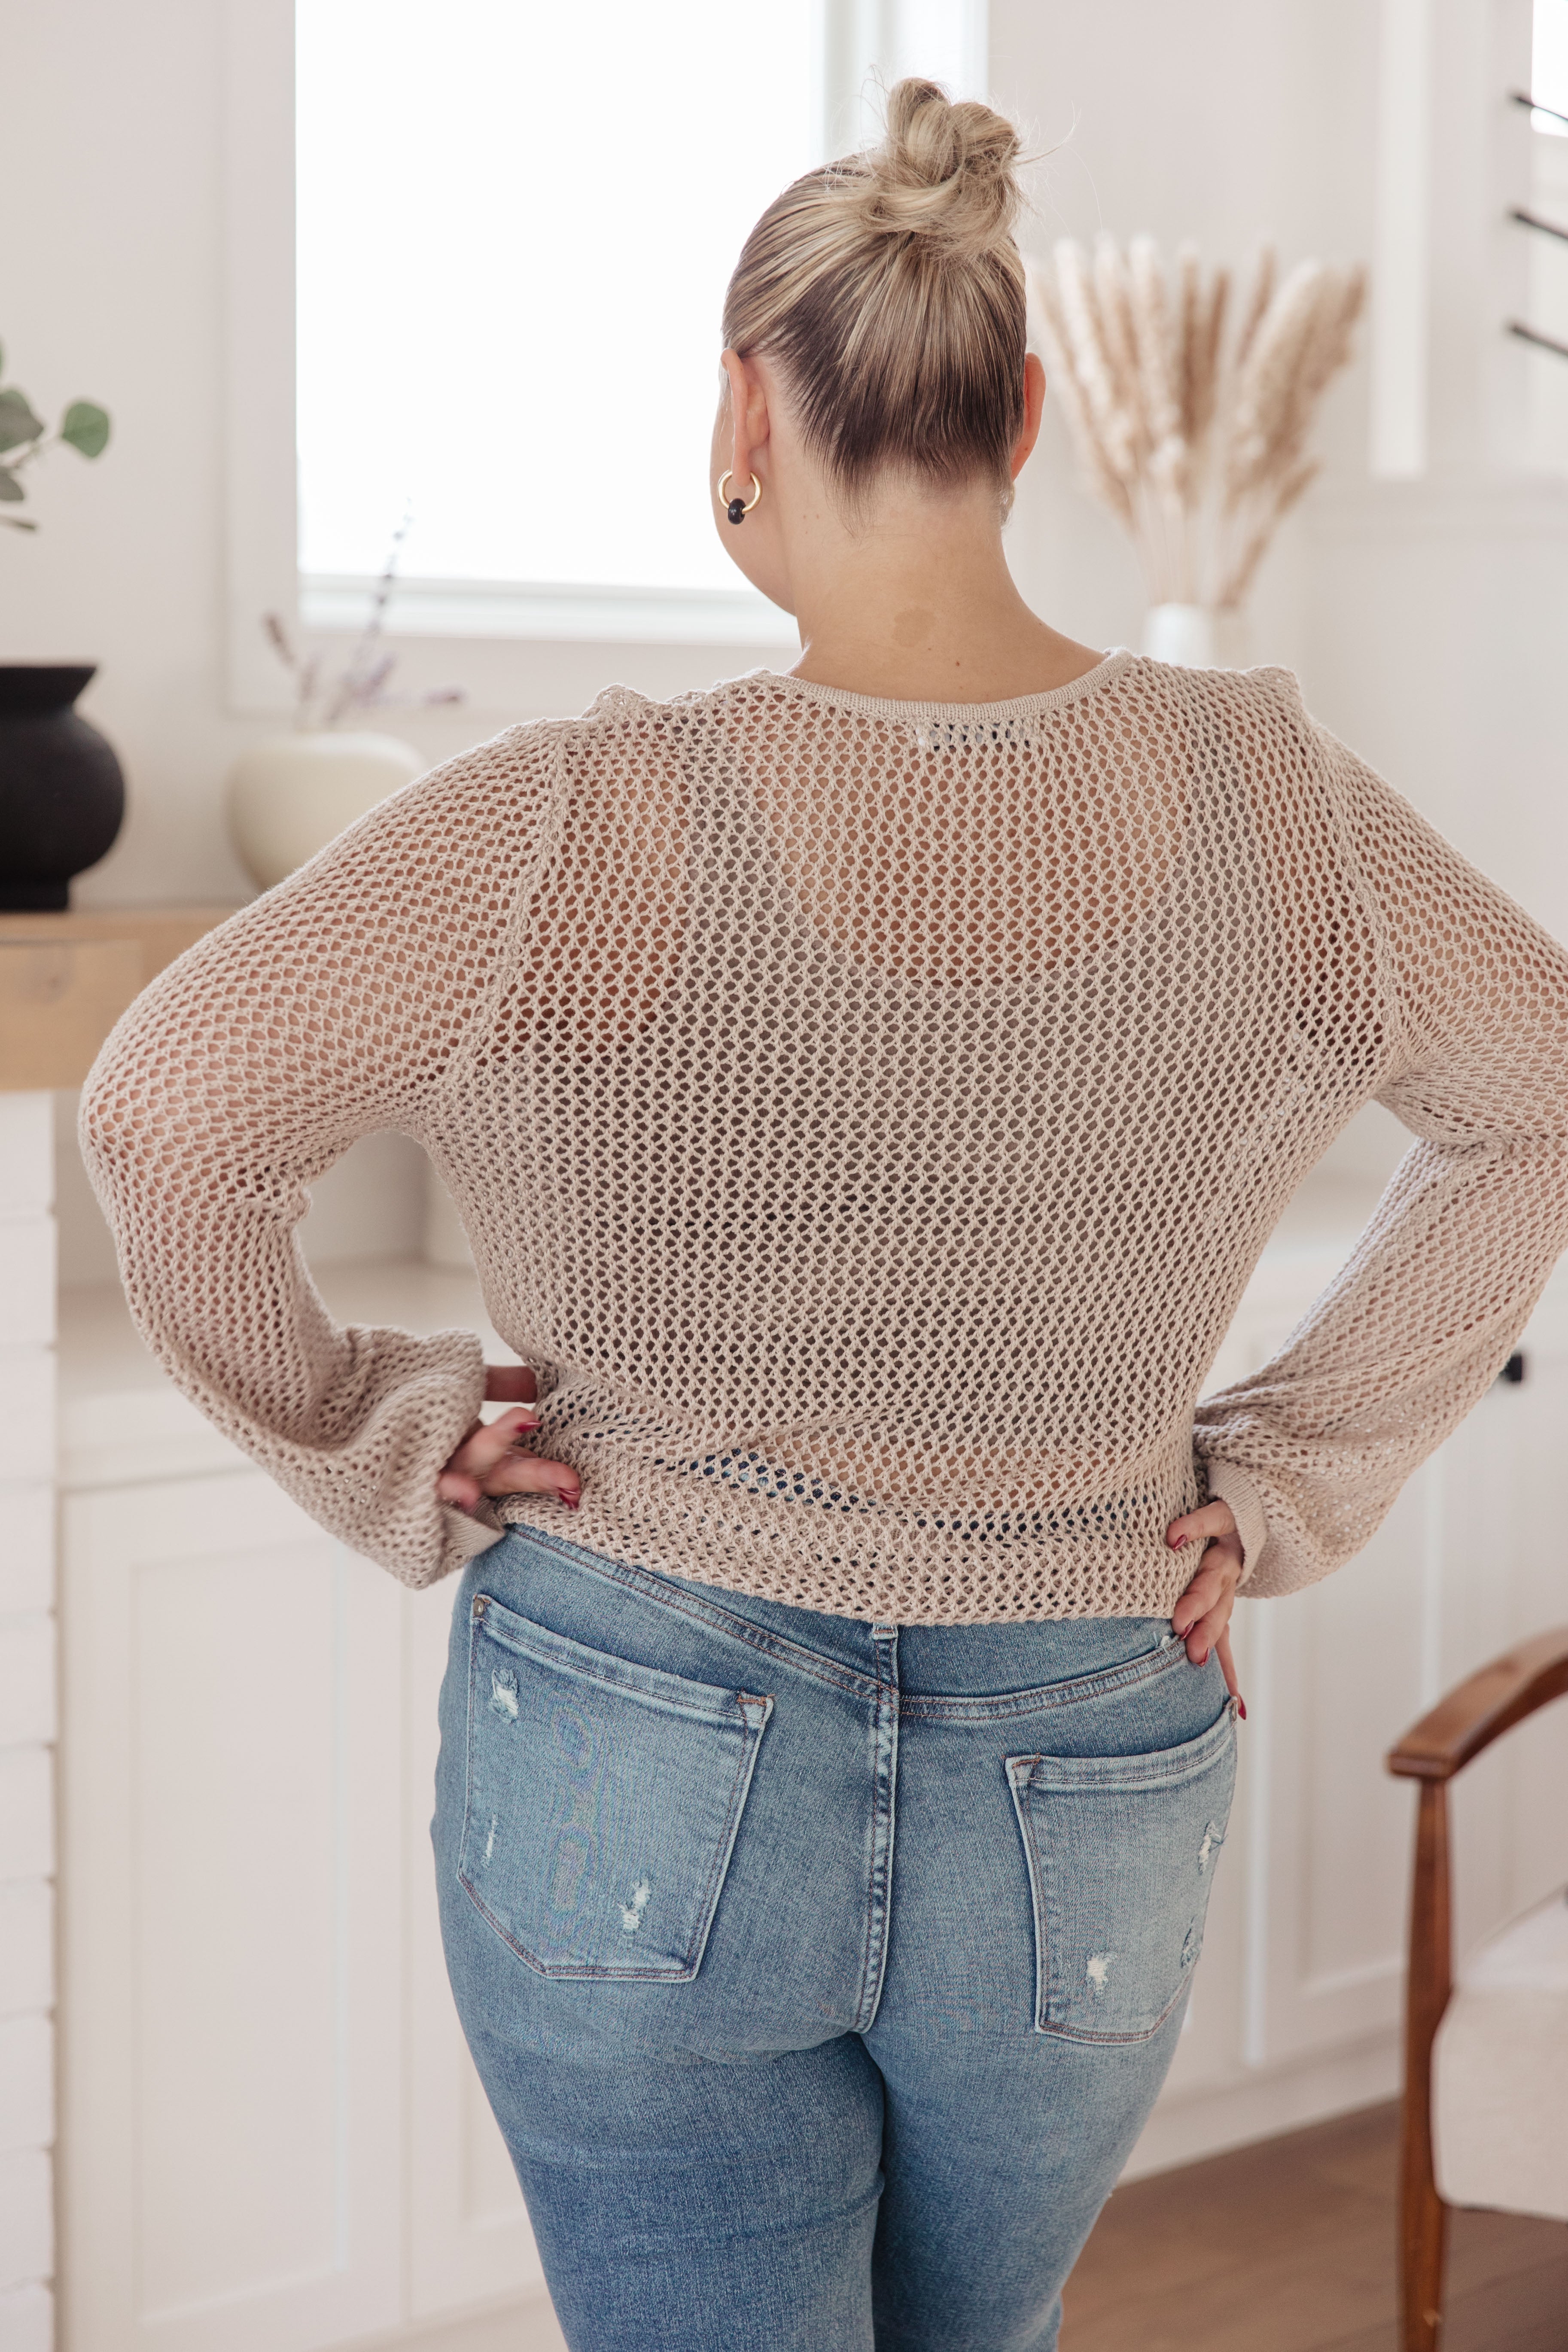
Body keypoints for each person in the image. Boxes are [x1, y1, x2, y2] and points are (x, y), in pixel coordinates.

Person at [80, 76, 1568, 2352]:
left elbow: (166, 1117)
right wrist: (1283, 1475)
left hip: (635, 1717)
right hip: (1087, 1739)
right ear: (1028, 417)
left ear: (741, 411)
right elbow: (1543, 1092)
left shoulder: (569, 814)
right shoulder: (1273, 798)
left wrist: (384, 1429)